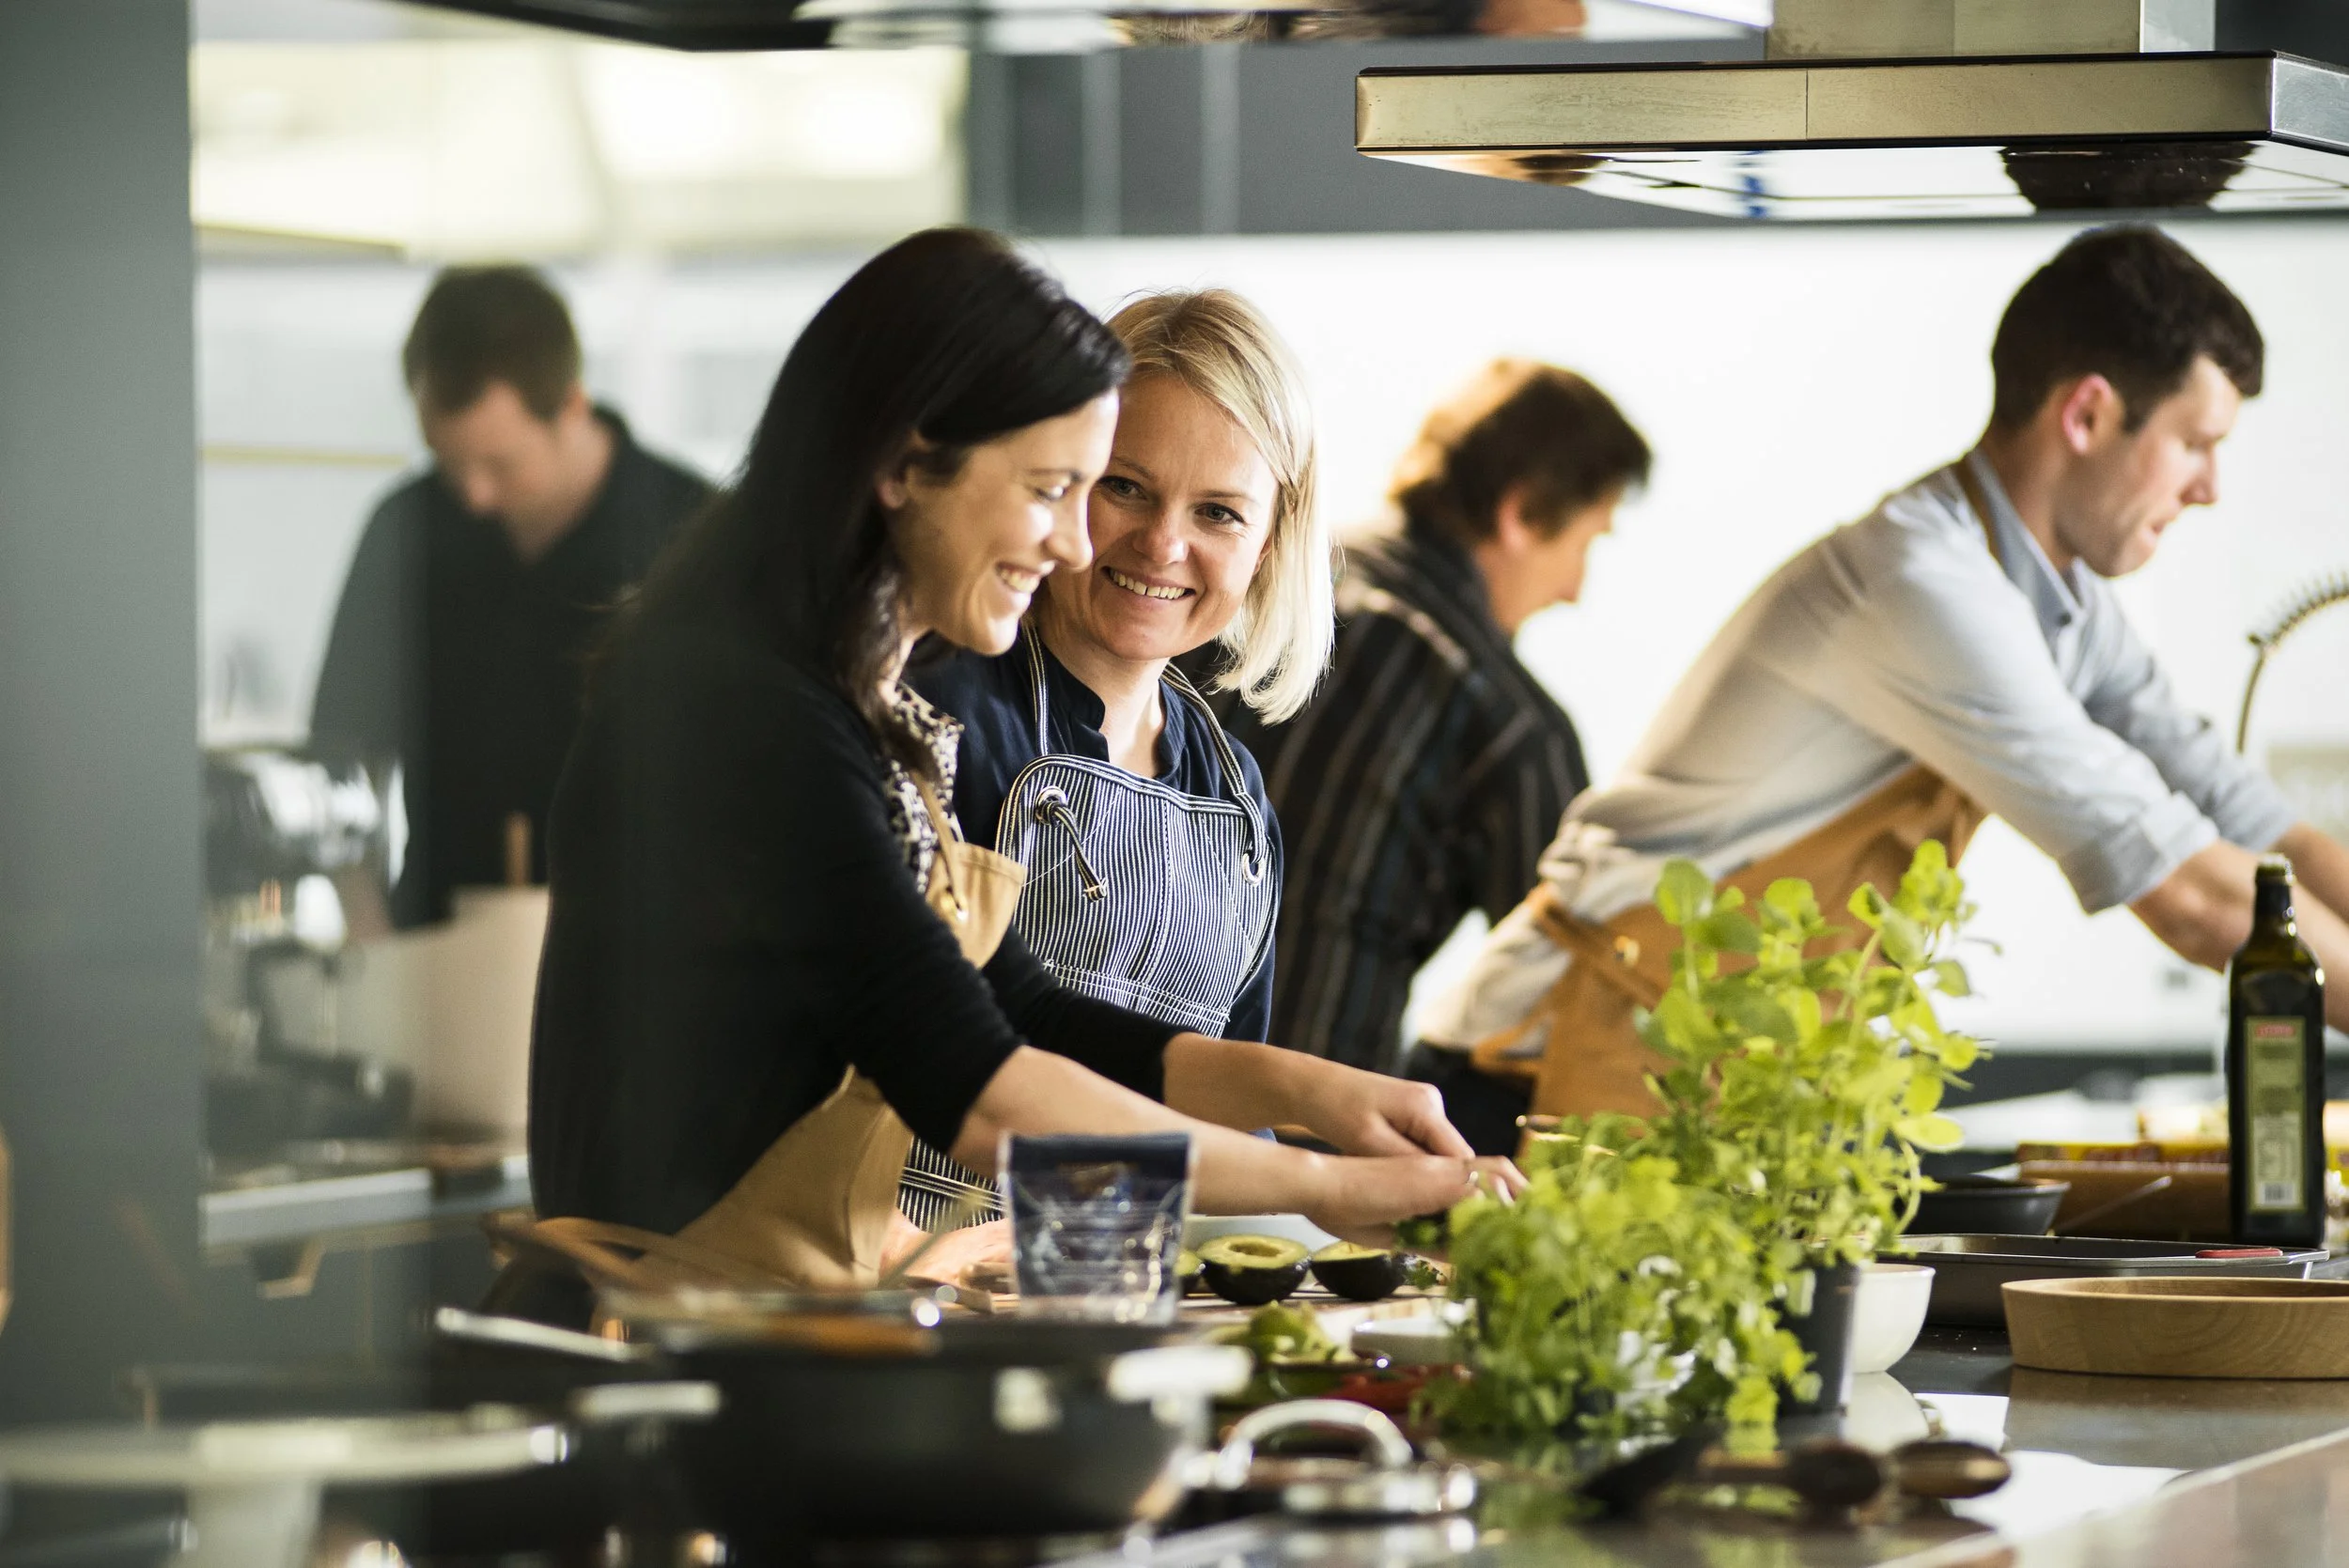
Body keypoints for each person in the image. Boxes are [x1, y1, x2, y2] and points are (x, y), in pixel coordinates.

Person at [528, 228, 1520, 1291]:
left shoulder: (837, 703)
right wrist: (1329, 1189)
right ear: (910, 464)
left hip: (781, 1313)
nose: (1074, 542)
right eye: (1061, 489)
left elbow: (1022, 1012)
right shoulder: (750, 712)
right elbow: (984, 1093)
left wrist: (1319, 1100)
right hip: (681, 1330)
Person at [1418, 225, 2349, 1142]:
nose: (2210, 487)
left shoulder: (2061, 604)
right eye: (2195, 442)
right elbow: (2192, 894)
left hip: (1697, 1080)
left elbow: (2253, 826)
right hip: (1529, 1075)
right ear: (2089, 414)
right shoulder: (1922, 586)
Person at [902, 287, 1327, 1227]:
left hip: (1130, 1295)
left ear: (1270, 544)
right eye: (1124, 487)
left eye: (1218, 512)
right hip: (917, 1277)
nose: (1162, 544)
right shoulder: (945, 709)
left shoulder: (1236, 793)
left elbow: (1224, 1129)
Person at [1221, 362, 1650, 1141]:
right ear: (1521, 514)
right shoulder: (1511, 727)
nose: (1576, 588)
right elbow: (1575, 992)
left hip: (1097, 1112)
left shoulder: (1239, 581)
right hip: (1312, 1161)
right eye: (1588, 541)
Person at [310, 266, 710, 927]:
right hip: (436, 951)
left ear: (572, 406)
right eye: (448, 460)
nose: (474, 495)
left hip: (646, 959)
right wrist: (364, 933)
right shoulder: (406, 529)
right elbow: (339, 752)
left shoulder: (692, 535)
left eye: (500, 464)